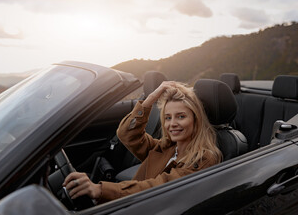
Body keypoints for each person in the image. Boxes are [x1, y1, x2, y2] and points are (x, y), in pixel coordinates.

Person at [63, 81, 222, 203]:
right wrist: (149, 100)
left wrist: (99, 189)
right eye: (168, 117)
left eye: (181, 116)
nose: (172, 123)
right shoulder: (164, 148)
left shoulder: (203, 158)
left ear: (196, 119)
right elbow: (127, 134)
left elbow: (157, 187)